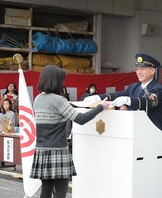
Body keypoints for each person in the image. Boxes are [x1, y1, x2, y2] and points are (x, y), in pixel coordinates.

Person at [29, 65, 110, 198]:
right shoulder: (59, 100)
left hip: (41, 150)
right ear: (56, 81)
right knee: (61, 191)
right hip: (58, 150)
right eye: (61, 80)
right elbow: (81, 119)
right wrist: (101, 107)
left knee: (46, 190)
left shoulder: (38, 99)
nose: (63, 83)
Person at [84, 53, 162, 131]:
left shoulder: (159, 88)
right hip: (134, 130)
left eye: (142, 69)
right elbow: (117, 95)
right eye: (137, 69)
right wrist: (98, 97)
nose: (139, 72)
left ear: (152, 71)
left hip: (152, 132)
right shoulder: (133, 87)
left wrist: (128, 100)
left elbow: (148, 101)